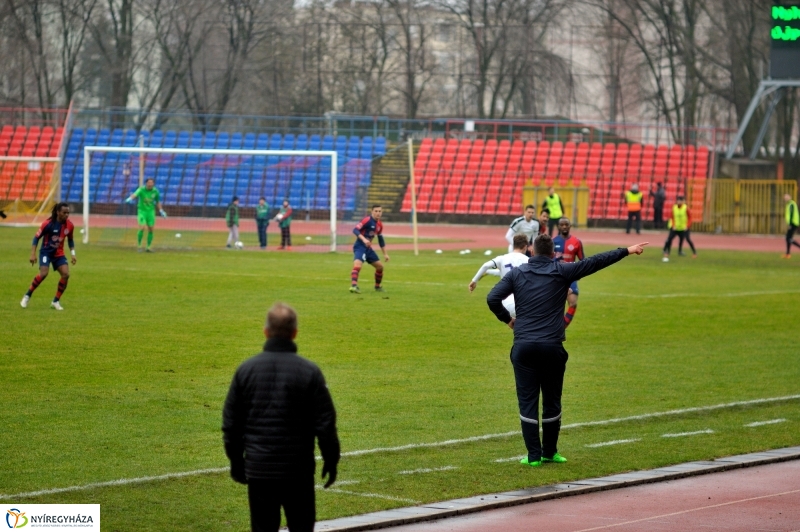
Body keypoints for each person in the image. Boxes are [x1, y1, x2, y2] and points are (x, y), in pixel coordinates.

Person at [487, 234, 648, 467]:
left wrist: (509, 320)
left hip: (523, 347)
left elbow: (492, 298)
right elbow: (594, 262)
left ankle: (533, 457)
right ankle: (550, 452)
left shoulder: (517, 273)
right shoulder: (562, 271)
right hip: (552, 347)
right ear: (553, 253)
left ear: (531, 252)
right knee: (552, 400)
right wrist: (627, 250)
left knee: (527, 401)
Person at [222, 303, 340, 532]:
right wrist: (331, 460)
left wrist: (237, 461)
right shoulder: (309, 371)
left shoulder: (246, 370)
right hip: (298, 470)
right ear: (295, 333)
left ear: (266, 331)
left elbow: (231, 424)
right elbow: (325, 424)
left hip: (259, 470)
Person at [20, 202, 77, 311]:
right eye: (64, 212)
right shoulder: (48, 224)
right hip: (46, 252)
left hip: (58, 254)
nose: (67, 215)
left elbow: (70, 240)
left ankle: (55, 301)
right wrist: (33, 254)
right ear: (58, 212)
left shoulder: (70, 225)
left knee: (66, 274)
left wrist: (73, 254)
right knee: (44, 273)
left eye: (68, 213)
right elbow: (36, 238)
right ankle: (27, 295)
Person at [470, 234, 529, 318]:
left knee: (516, 324)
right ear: (525, 247)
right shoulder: (528, 260)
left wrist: (474, 280)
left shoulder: (502, 258)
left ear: (513, 245)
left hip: (505, 302)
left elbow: (485, 265)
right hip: (522, 302)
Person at [350, 205, 390, 294]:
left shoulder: (379, 224)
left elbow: (381, 240)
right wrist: (364, 239)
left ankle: (377, 287)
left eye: (380, 211)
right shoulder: (367, 220)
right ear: (372, 212)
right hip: (360, 246)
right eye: (376, 211)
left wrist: (385, 254)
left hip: (368, 249)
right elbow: (355, 230)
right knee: (357, 265)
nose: (378, 213)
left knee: (380, 267)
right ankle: (353, 286)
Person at [553, 217, 585, 328]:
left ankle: (563, 327)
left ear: (570, 226)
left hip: (570, 277)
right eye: (562, 224)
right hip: (556, 277)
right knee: (554, 305)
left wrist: (579, 273)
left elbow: (582, 261)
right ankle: (552, 327)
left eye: (566, 224)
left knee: (573, 302)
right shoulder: (553, 241)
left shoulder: (576, 242)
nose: (564, 226)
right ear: (558, 226)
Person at [125, 177, 167, 252]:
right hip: (142, 211)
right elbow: (135, 194)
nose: (150, 184)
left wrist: (161, 211)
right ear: (146, 183)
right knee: (142, 227)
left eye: (152, 183)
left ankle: (148, 247)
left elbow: (157, 202)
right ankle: (139, 246)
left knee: (151, 229)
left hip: (150, 212)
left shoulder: (155, 191)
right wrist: (130, 199)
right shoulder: (141, 190)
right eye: (149, 182)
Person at [662, 195, 696, 261]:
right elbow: (672, 217)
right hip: (675, 227)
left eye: (681, 200)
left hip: (684, 228)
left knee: (687, 239)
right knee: (669, 239)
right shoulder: (674, 208)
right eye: (678, 200)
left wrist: (687, 226)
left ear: (683, 201)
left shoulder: (686, 208)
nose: (679, 202)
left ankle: (694, 252)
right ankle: (667, 252)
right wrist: (673, 225)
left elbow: (690, 218)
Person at [783, 193, 800, 259]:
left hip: (793, 223)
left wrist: (790, 223)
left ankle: (788, 253)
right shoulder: (789, 204)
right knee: (788, 238)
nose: (785, 198)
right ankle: (788, 254)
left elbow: (792, 214)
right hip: (793, 223)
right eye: (785, 197)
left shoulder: (791, 204)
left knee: (788, 238)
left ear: (790, 196)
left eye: (787, 197)